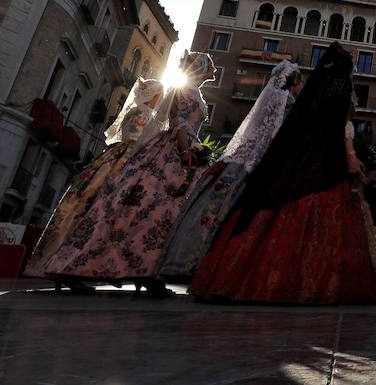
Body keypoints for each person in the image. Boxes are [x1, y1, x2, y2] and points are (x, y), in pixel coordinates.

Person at [189, 42, 376, 304]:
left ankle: (238, 276)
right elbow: (340, 129)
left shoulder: (310, 103)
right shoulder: (339, 91)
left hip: (293, 168)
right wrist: (350, 157)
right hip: (325, 170)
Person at [44, 52, 216, 297]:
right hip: (175, 152)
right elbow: (179, 123)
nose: (215, 69)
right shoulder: (186, 91)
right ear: (200, 68)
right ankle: (93, 267)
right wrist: (187, 150)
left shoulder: (194, 92)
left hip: (183, 149)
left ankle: (148, 271)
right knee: (155, 210)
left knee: (161, 213)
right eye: (211, 65)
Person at [157, 61, 302, 280]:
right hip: (253, 160)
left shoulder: (273, 95)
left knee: (212, 208)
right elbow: (272, 132)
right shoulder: (282, 99)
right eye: (301, 82)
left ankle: (185, 261)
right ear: (294, 81)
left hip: (239, 159)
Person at [24, 79, 164, 286]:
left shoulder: (137, 111)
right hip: (125, 161)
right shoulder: (143, 114)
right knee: (100, 211)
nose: (160, 100)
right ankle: (72, 265)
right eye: (159, 95)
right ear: (154, 96)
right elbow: (135, 141)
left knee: (87, 208)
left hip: (113, 159)